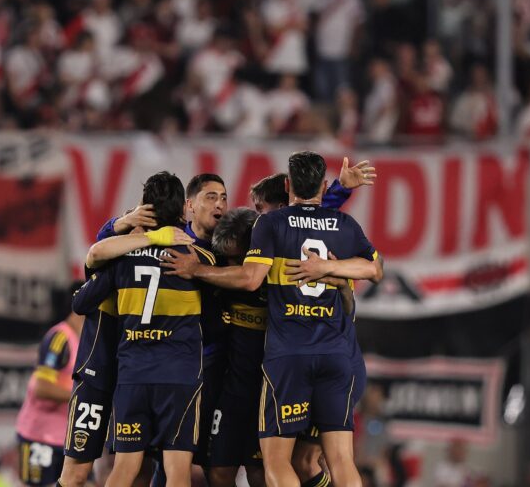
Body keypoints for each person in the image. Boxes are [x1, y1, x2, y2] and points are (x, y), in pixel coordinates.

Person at [161, 151, 381, 487]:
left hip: (289, 359)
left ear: (286, 190)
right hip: (331, 359)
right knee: (332, 460)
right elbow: (374, 270)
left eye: (259, 208)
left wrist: (196, 270)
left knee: (288, 463)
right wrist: (331, 269)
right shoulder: (342, 230)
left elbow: (251, 277)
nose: (254, 215)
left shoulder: (272, 229)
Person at [70, 171, 217, 487]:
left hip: (133, 375)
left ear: (145, 208)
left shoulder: (120, 257)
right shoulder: (199, 259)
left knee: (124, 468)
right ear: (183, 211)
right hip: (179, 376)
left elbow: (82, 298)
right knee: (177, 471)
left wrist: (124, 231)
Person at [16, 290, 84, 486]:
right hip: (40, 436)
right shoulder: (60, 338)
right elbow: (42, 388)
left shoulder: (89, 340)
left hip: (68, 438)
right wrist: (82, 397)